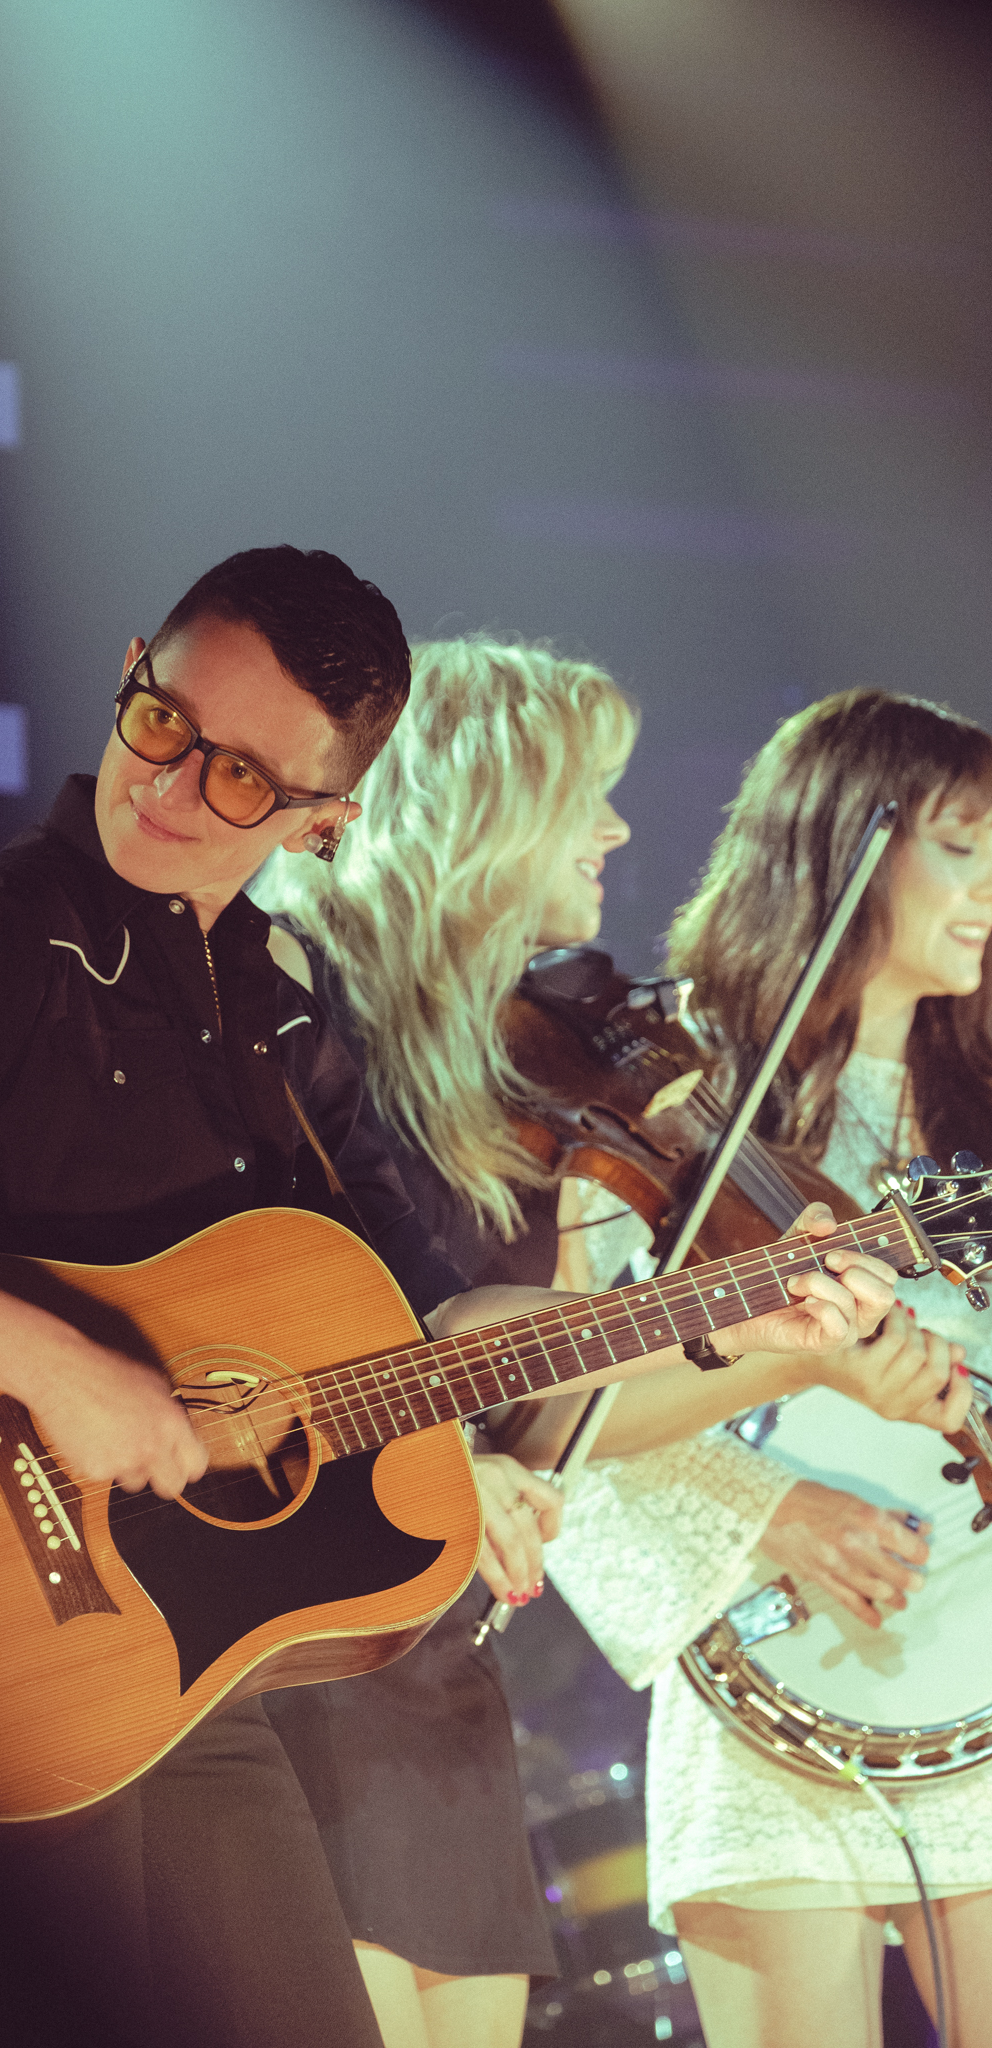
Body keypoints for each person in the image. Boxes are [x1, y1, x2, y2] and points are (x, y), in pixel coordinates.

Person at [0, 558, 884, 2048]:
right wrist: (65, 1371)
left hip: (183, 1679)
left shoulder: (284, 1012)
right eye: (163, 721)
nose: (171, 782)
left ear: (324, 819)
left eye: (239, 774)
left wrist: (712, 1320)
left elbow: (434, 1339)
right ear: (134, 668)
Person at [253, 643, 940, 2048]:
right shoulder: (294, 1011)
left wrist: (774, 1343)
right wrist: (450, 1456)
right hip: (286, 1627)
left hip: (441, 1649)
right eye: (585, 795)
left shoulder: (521, 1076)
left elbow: (552, 1413)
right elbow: (264, 1316)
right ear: (482, 807)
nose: (618, 832)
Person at [549, 687, 992, 2048]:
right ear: (840, 846)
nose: (991, 888)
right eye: (960, 846)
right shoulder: (671, 1109)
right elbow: (559, 1419)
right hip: (762, 1690)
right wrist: (771, 1512)